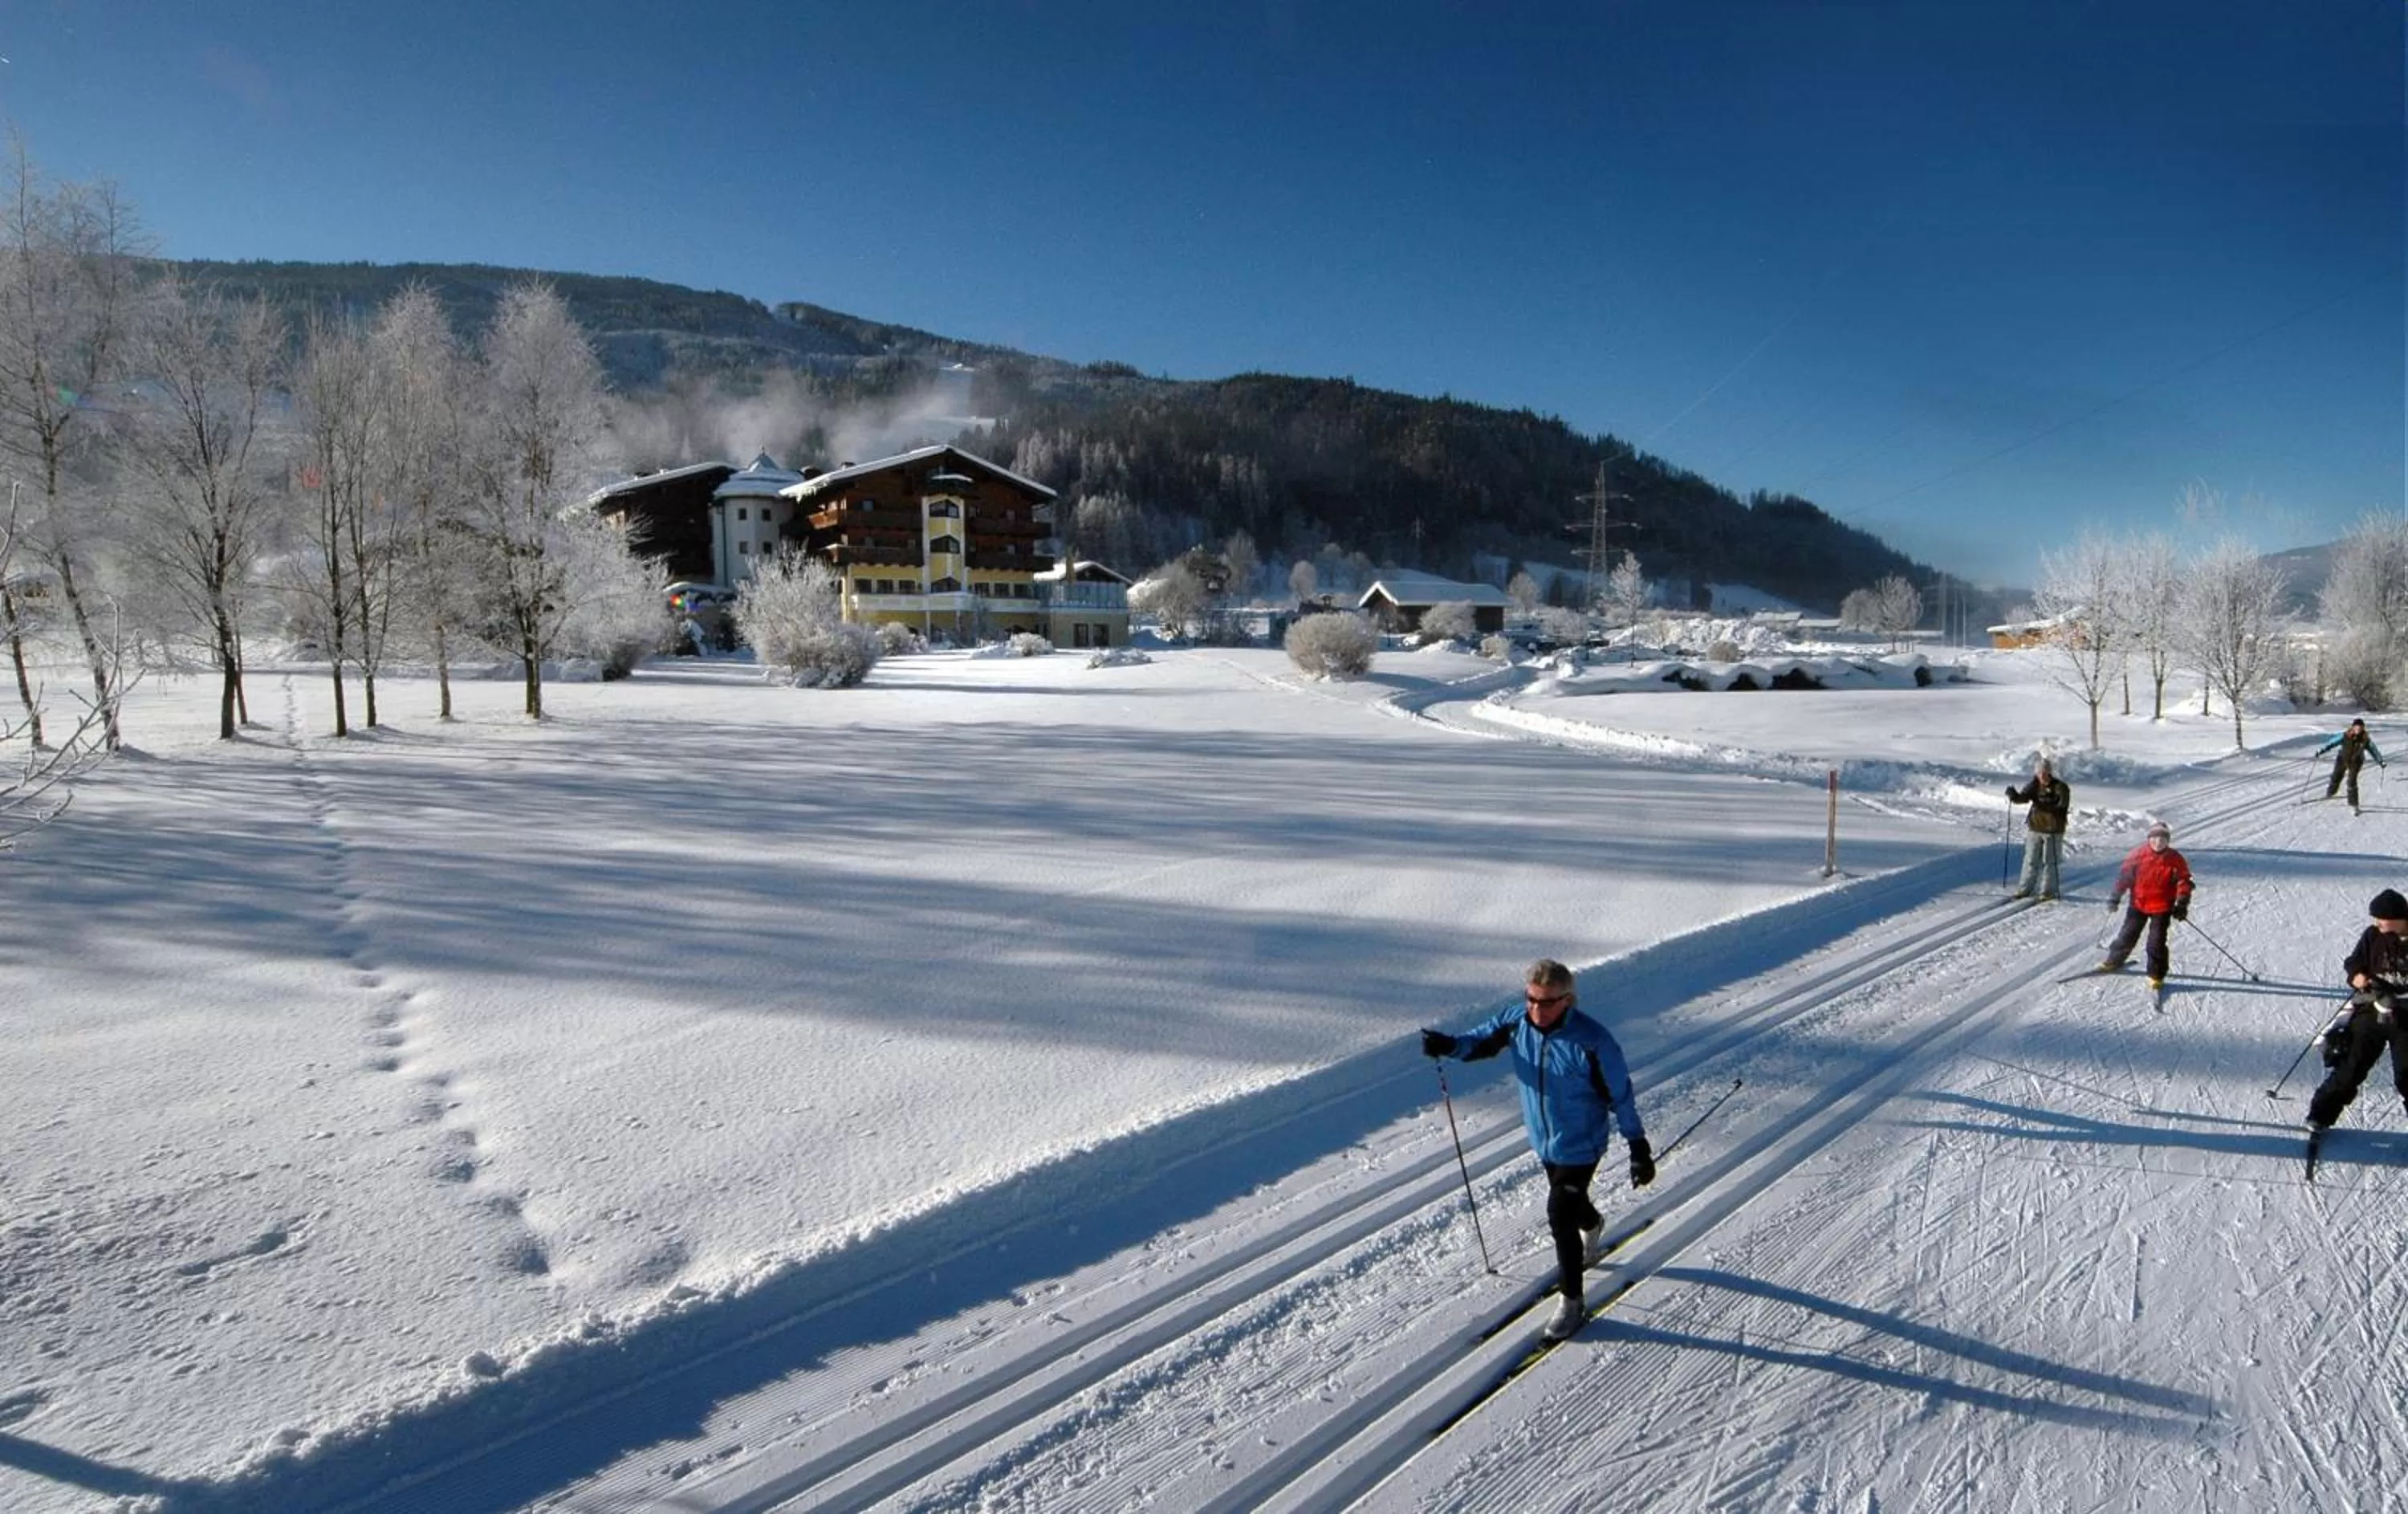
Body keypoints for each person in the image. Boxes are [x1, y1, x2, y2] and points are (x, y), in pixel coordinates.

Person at [1421, 958, 1651, 1342]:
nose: (1536, 1009)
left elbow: (1621, 1095)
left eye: (1546, 1002)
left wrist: (1638, 1146)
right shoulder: (1518, 1021)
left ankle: (1572, 1301)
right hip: (1545, 1141)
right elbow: (1480, 1041)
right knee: (1574, 1209)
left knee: (1559, 1213)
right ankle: (1592, 1224)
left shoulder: (1593, 1040)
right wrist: (1449, 1045)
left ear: (1568, 1001)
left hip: (1582, 1144)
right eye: (1531, 999)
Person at [2307, 889, 2408, 1135]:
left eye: (2381, 918)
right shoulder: (2373, 935)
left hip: (2406, 1015)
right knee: (2350, 1066)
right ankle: (2320, 1115)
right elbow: (2354, 962)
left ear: (2397, 917)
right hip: (2371, 1009)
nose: (2376, 923)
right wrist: (2357, 976)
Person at [2101, 820, 2193, 991]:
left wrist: (2182, 903)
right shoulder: (2138, 855)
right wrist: (2115, 896)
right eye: (2155, 838)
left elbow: (2184, 882)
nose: (2158, 842)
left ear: (2168, 841)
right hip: (2138, 904)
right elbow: (2125, 878)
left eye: (2163, 839)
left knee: (2156, 942)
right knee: (2127, 935)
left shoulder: (2175, 859)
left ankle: (2156, 974)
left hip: (2162, 907)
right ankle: (2114, 960)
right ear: (2149, 838)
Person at [2004, 756, 2071, 901]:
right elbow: (2023, 798)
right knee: (2030, 859)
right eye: (2039, 773)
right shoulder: (2034, 785)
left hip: (2053, 830)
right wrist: (2013, 796)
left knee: (2049, 862)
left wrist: (2044, 804)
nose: (2042, 776)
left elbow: (2061, 807)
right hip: (2035, 827)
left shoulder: (2060, 787)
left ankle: (2048, 891)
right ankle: (2024, 889)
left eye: (2045, 772)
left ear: (2050, 773)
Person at [2317, 718, 2386, 811]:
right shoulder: (2345, 735)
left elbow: (2374, 751)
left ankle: (2354, 804)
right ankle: (2331, 793)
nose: (2358, 729)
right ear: (2353, 727)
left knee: (2351, 781)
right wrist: (2322, 751)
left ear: (2363, 728)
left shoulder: (2365, 739)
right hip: (2342, 759)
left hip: (2356, 761)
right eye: (2357, 727)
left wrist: (2380, 761)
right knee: (2336, 776)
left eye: (2360, 727)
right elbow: (2332, 743)